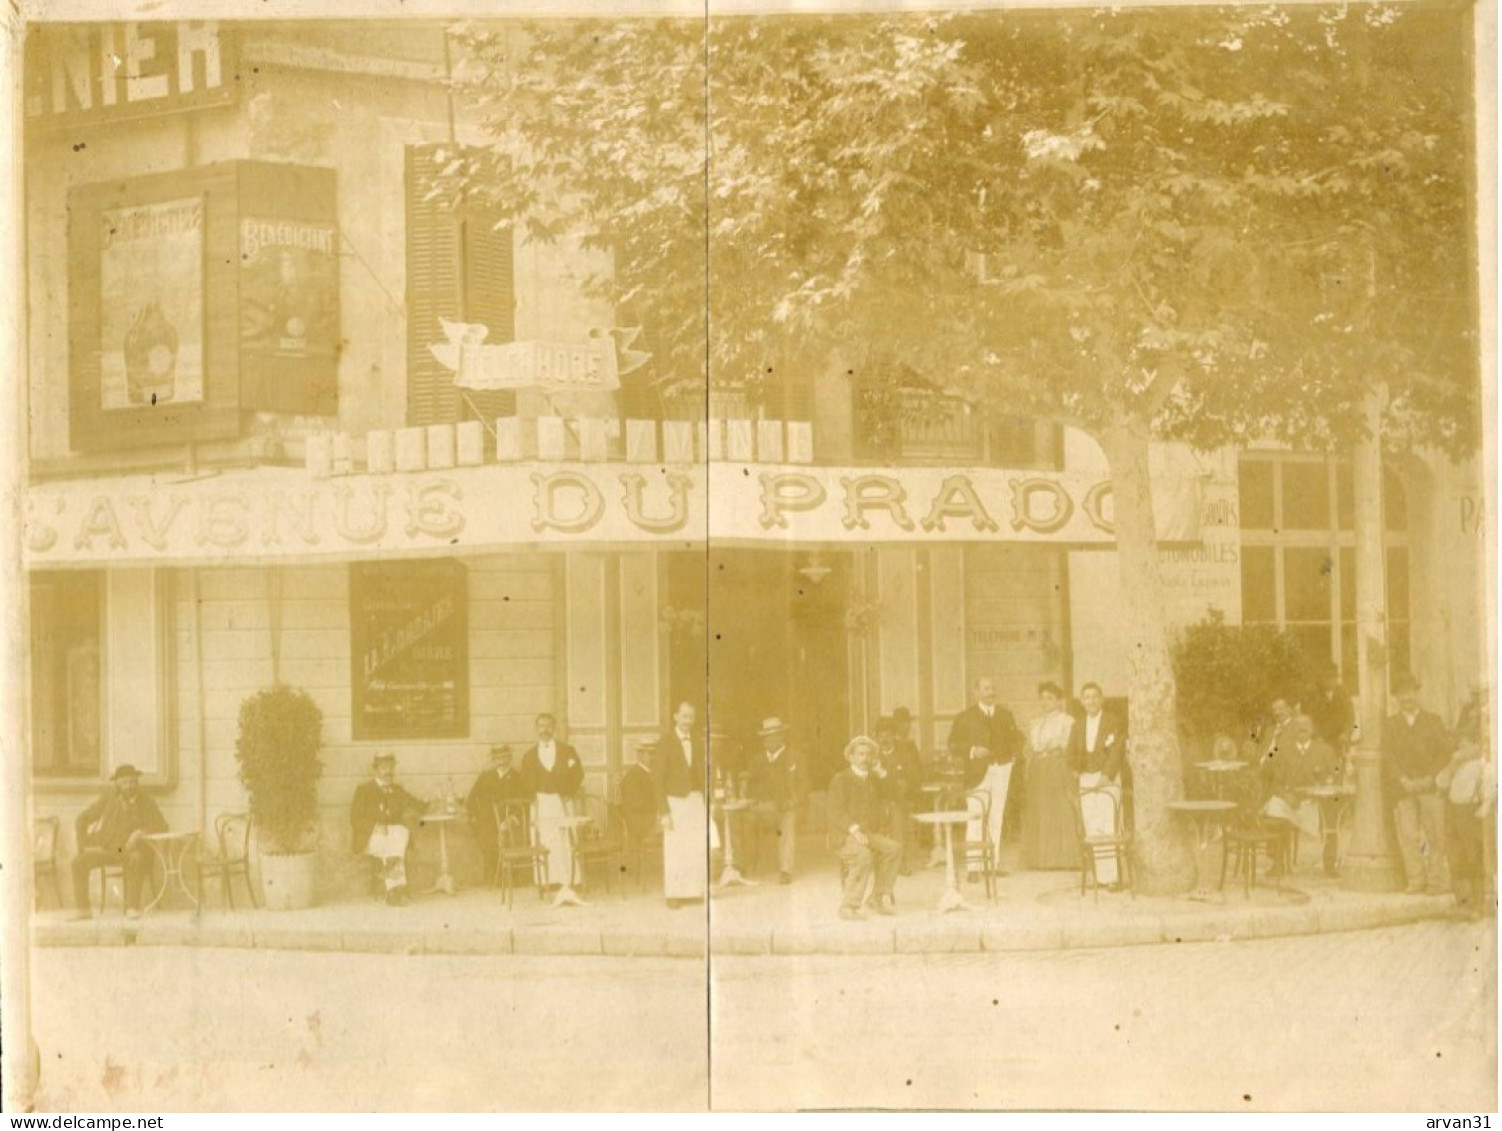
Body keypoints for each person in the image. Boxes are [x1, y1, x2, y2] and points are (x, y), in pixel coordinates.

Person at [1382, 675, 1452, 896]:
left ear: (1417, 693)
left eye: (1410, 692)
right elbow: (1388, 756)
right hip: (1404, 788)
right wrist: (1402, 779)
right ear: (1396, 698)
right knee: (1408, 835)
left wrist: (1431, 778)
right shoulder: (1391, 724)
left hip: (1429, 786)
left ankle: (1436, 881)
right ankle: (1416, 880)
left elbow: (1445, 753)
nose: (1407, 698)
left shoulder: (1433, 720)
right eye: (1401, 694)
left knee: (1436, 836)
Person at [70, 764, 168, 920]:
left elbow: (161, 825)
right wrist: (82, 845)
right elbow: (84, 818)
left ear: (137, 783)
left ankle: (132, 907)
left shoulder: (146, 801)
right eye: (124, 783)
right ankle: (83, 909)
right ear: (117, 784)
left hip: (135, 851)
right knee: (78, 862)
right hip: (111, 850)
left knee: (137, 859)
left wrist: (140, 833)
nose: (128, 786)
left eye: (132, 782)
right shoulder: (109, 799)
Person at [947, 677, 1022, 876]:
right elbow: (953, 744)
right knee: (975, 817)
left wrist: (1012, 757)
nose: (991, 692)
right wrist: (972, 750)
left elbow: (1016, 738)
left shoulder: (1005, 715)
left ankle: (992, 865)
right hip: (977, 773)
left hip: (1001, 771)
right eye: (986, 688)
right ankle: (973, 868)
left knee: (996, 817)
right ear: (976, 692)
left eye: (992, 688)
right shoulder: (965, 717)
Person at [827, 735, 901, 921]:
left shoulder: (874, 779)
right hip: (844, 835)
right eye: (860, 754)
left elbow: (895, 794)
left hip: (868, 834)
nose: (864, 758)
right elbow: (835, 811)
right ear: (851, 757)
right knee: (863, 855)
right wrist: (855, 830)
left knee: (893, 849)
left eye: (868, 754)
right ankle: (848, 906)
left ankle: (876, 898)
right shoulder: (841, 779)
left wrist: (881, 772)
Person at [653, 702, 716, 909]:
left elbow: (706, 773)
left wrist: (710, 800)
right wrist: (664, 811)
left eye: (691, 717)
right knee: (675, 848)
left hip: (695, 800)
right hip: (675, 802)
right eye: (684, 717)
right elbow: (657, 780)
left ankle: (695, 890)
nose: (687, 721)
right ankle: (674, 893)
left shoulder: (698, 742)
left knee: (696, 846)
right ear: (675, 717)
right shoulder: (665, 743)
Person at [520, 713, 586, 899]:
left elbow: (578, 773)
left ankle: (570, 880)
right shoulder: (529, 756)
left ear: (554, 728)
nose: (545, 729)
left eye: (548, 726)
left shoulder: (567, 751)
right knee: (544, 839)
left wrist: (569, 793)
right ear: (536, 729)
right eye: (541, 726)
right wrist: (532, 797)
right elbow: (524, 780)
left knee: (565, 839)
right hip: (541, 802)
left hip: (562, 800)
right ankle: (546, 881)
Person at [1259, 714, 1336, 871]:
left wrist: (1326, 783)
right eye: (1298, 725)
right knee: (1274, 807)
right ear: (1293, 730)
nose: (1302, 728)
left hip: (1315, 803)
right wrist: (1284, 794)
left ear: (1312, 729)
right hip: (1290, 801)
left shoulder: (1325, 750)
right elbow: (1273, 780)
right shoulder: (1282, 750)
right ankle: (1278, 862)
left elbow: (1336, 772)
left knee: (1331, 815)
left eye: (1306, 724)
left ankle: (1330, 863)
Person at [1067, 683, 1126, 886]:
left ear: (1102, 700)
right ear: (1082, 702)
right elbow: (1071, 752)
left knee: (1108, 824)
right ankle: (1100, 876)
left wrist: (1107, 775)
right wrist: (1076, 769)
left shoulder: (1113, 721)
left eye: (1094, 697)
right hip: (1086, 777)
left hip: (1106, 778)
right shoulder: (1078, 724)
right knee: (1092, 825)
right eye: (1087, 698)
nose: (1091, 701)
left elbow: (1118, 750)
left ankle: (1113, 878)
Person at [350, 753, 427, 905]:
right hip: (371, 838)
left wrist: (433, 803)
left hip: (392, 839)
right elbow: (354, 818)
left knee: (399, 833)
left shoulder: (398, 790)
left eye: (391, 767)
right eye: (384, 767)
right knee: (396, 840)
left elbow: (418, 805)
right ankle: (398, 888)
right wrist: (375, 828)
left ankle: (392, 892)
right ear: (375, 770)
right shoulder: (364, 790)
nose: (388, 771)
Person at [1438, 710, 1493, 917]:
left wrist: (1485, 805)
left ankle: (1477, 903)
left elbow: (1490, 787)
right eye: (1458, 745)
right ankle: (1462, 901)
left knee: (1473, 857)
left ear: (1476, 746)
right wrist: (1452, 765)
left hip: (1471, 813)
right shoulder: (1455, 767)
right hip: (1454, 813)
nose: (1460, 749)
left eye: (1464, 745)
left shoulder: (1482, 767)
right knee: (1456, 857)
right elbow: (1440, 782)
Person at [1023, 682, 1078, 870]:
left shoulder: (1067, 721)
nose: (1046, 702)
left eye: (1050, 698)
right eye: (1043, 698)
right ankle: (1042, 859)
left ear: (1058, 701)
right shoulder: (1035, 723)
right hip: (1038, 769)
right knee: (1041, 809)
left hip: (1057, 767)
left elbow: (1069, 747)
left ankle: (1063, 859)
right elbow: (1030, 748)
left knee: (1059, 809)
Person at [745, 716, 807, 884]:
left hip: (788, 807)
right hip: (764, 808)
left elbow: (804, 786)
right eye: (768, 736)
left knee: (788, 819)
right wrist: (753, 800)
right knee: (746, 818)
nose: (772, 740)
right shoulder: (756, 761)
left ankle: (786, 870)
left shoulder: (795, 757)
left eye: (776, 735)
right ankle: (747, 865)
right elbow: (750, 788)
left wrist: (794, 800)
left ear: (782, 737)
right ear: (763, 740)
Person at [465, 744, 532, 886]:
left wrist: (513, 817)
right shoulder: (485, 777)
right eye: (497, 758)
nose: (501, 762)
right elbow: (471, 799)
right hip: (487, 821)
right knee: (486, 841)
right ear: (493, 760)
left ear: (510, 758)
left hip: (509, 820)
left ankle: (511, 875)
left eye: (504, 757)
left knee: (511, 840)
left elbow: (524, 801)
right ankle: (499, 873)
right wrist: (474, 816)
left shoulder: (517, 777)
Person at [874, 716, 924, 874]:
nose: (885, 739)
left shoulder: (904, 755)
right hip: (877, 802)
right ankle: (879, 863)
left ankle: (900, 864)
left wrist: (905, 785)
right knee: (875, 829)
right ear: (875, 737)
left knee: (898, 828)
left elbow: (916, 778)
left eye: (888, 735)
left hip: (898, 801)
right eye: (881, 735)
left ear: (893, 736)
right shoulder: (871, 756)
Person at [1305, 662, 1356, 777]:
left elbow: (1350, 717)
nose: (1330, 681)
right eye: (1326, 677)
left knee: (1340, 768)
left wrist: (1345, 733)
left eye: (1333, 677)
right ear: (1321, 679)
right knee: (1320, 767)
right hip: (1320, 738)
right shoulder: (1312, 694)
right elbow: (1308, 718)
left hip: (1339, 739)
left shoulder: (1343, 692)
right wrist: (1316, 736)